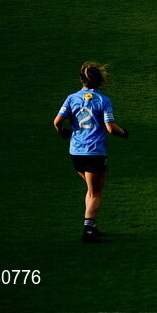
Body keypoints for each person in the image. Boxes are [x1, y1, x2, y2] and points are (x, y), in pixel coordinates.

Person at [53, 62, 129, 243]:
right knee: (95, 192)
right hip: (95, 151)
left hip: (76, 152)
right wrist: (124, 133)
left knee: (91, 189)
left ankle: (92, 227)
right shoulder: (103, 100)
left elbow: (57, 122)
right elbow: (111, 128)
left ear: (82, 79)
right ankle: (88, 229)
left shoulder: (72, 98)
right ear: (100, 80)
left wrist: (63, 132)